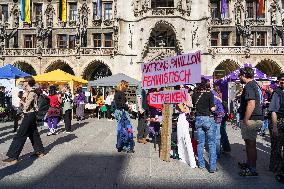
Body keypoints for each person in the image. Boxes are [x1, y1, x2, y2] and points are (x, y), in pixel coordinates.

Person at [3, 76, 44, 164]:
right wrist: (23, 97)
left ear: (28, 82)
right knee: (33, 133)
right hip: (31, 115)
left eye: (24, 81)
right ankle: (39, 151)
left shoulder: (32, 92)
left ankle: (13, 157)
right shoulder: (28, 92)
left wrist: (22, 102)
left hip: (29, 115)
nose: (23, 83)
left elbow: (26, 106)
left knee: (20, 134)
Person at [238, 67, 264, 177]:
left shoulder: (249, 86)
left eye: (240, 75)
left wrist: (245, 119)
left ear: (244, 74)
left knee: (251, 145)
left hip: (252, 118)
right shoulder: (255, 84)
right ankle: (249, 164)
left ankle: (252, 169)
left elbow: (251, 103)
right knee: (250, 144)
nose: (239, 77)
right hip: (256, 118)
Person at [192, 79, 217, 173]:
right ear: (206, 85)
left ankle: (201, 164)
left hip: (198, 119)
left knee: (200, 143)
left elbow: (193, 105)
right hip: (208, 119)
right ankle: (212, 167)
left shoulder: (194, 94)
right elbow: (212, 108)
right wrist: (216, 107)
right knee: (211, 144)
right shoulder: (209, 94)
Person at [268, 73, 284, 183]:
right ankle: (278, 170)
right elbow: (273, 110)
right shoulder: (277, 93)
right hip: (279, 122)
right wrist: (274, 127)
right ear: (278, 81)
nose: (283, 81)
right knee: (276, 148)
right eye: (281, 80)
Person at [114, 80, 134, 153]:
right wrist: (128, 107)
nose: (127, 88)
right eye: (126, 86)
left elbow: (118, 103)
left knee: (120, 129)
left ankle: (120, 146)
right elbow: (122, 104)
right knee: (128, 129)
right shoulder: (121, 93)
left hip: (118, 112)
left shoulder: (116, 93)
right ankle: (127, 146)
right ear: (123, 85)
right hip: (122, 112)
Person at [211, 84, 225, 158]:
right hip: (219, 113)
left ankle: (217, 152)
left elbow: (214, 107)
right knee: (217, 132)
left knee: (216, 134)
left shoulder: (212, 93)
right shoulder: (215, 93)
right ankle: (218, 151)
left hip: (217, 114)